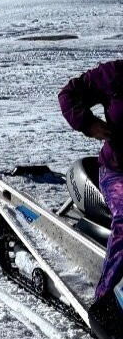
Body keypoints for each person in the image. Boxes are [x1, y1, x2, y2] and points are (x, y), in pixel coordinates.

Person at [59, 59, 123, 300]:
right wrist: (88, 123)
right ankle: (106, 301)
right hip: (117, 171)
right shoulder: (115, 74)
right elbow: (69, 94)